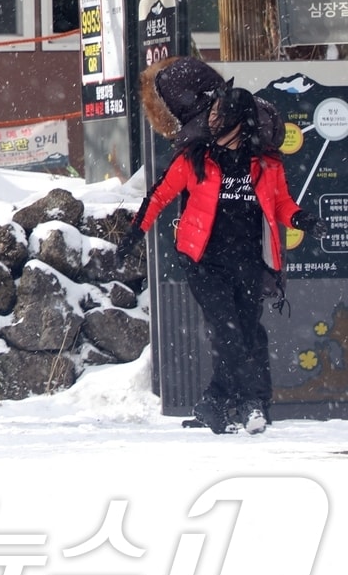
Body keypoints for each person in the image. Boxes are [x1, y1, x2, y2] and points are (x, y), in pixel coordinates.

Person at [118, 82, 322, 435]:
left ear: (238, 120)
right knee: (228, 332)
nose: (211, 119)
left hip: (248, 260)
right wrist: (136, 232)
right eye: (211, 113)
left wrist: (302, 219)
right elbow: (160, 194)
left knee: (247, 332)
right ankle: (250, 404)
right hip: (202, 261)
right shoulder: (196, 157)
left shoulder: (266, 164)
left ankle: (214, 404)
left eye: (218, 113)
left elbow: (281, 204)